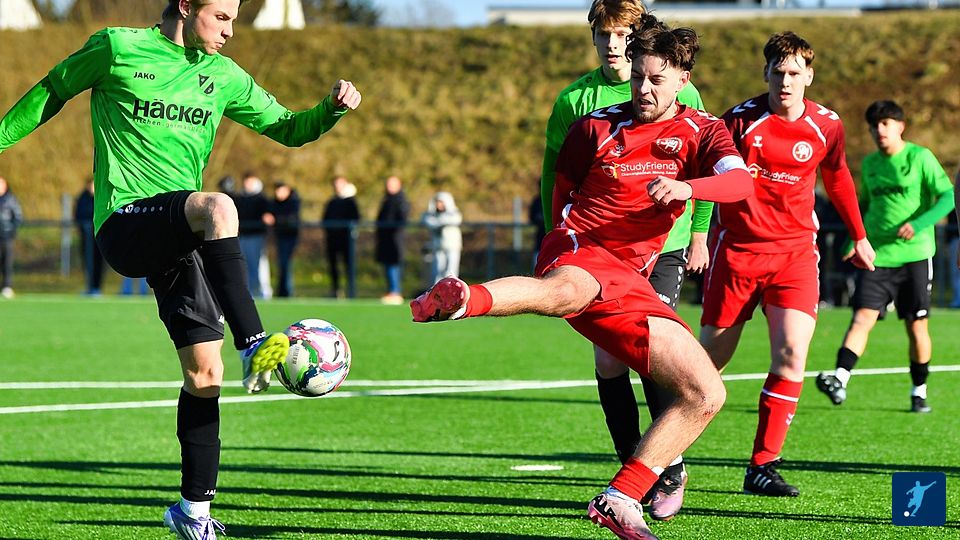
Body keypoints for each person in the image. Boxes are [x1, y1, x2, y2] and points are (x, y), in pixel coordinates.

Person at [0, 1, 361, 538]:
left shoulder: (224, 75)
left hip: (181, 235)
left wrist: (330, 109)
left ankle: (193, 513)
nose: (230, 30)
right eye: (222, 17)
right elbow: (50, 92)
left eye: (235, 18)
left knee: (205, 375)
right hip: (125, 221)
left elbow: (289, 128)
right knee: (219, 206)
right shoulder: (118, 48)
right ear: (187, 7)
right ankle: (253, 341)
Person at [412, 15, 753, 539]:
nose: (642, 89)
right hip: (582, 246)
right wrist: (557, 242)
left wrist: (690, 189)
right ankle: (463, 299)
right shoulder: (594, 127)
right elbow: (561, 188)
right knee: (569, 290)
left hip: (633, 279)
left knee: (706, 392)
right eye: (637, 77)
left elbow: (739, 184)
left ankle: (622, 497)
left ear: (683, 80)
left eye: (655, 80)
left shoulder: (703, 130)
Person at [539, 0, 714, 519]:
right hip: (600, 250)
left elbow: (702, 166)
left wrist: (699, 233)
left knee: (654, 353)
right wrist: (555, 237)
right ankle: (632, 478)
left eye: (623, 34)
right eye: (605, 34)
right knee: (609, 360)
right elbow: (556, 176)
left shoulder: (679, 88)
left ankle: (669, 469)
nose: (614, 45)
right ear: (594, 38)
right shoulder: (576, 100)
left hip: (665, 244)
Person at [699, 31, 876, 498]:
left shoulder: (827, 125)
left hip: (795, 255)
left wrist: (859, 236)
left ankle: (763, 465)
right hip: (737, 253)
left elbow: (837, 177)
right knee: (705, 366)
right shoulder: (738, 122)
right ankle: (665, 458)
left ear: (809, 76)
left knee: (793, 353)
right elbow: (708, 177)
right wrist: (698, 236)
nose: (785, 81)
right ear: (765, 73)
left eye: (794, 72)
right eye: (778, 72)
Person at [816, 100, 954, 414]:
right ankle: (840, 378)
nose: (879, 130)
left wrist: (919, 223)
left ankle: (919, 391)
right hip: (877, 257)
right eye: (874, 125)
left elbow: (948, 196)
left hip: (915, 257)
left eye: (885, 123)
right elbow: (864, 206)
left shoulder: (920, 158)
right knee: (861, 318)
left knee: (916, 327)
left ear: (900, 126)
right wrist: (853, 239)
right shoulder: (870, 165)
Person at [235, 171, 272, 298]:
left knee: (259, 264)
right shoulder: (240, 198)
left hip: (256, 236)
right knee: (245, 264)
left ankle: (263, 291)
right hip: (243, 235)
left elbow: (268, 215)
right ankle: (250, 290)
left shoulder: (262, 199)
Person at [322, 175, 359, 298]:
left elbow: (355, 218)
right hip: (332, 239)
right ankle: (335, 290)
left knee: (348, 264)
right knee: (333, 265)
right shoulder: (332, 202)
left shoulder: (350, 202)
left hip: (346, 240)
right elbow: (325, 218)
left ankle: (351, 290)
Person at [375, 175, 409, 304]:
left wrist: (392, 230)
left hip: (395, 239)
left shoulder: (401, 201)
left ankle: (395, 291)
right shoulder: (386, 199)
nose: (389, 187)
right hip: (385, 239)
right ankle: (391, 290)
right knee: (387, 265)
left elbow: (402, 219)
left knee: (394, 265)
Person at [422, 191, 463, 284]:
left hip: (452, 246)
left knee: (451, 270)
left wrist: (439, 221)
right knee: (438, 270)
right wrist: (438, 221)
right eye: (437, 202)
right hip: (438, 246)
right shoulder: (432, 215)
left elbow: (455, 219)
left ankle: (451, 289)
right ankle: (438, 290)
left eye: (441, 202)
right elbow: (428, 221)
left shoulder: (454, 213)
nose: (439, 205)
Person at [270, 180, 301, 298]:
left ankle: (287, 291)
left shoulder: (294, 202)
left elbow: (291, 218)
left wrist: (275, 220)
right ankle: (282, 291)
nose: (278, 193)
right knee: (282, 264)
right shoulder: (275, 203)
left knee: (286, 264)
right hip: (280, 236)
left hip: (290, 236)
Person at [75, 179, 104, 296]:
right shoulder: (83, 198)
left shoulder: (100, 196)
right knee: (87, 261)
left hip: (98, 236)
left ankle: (96, 287)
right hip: (86, 236)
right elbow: (79, 214)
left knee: (98, 262)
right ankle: (89, 286)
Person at [0, 175, 23, 299]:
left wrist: (11, 230)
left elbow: (18, 217)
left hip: (6, 236)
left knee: (7, 262)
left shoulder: (10, 200)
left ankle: (7, 287)